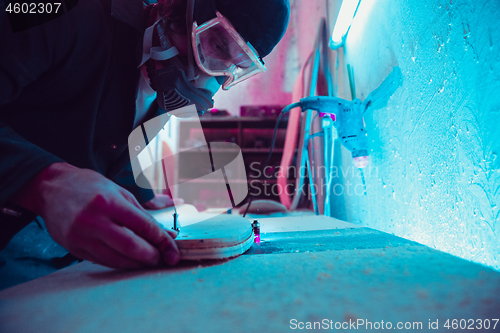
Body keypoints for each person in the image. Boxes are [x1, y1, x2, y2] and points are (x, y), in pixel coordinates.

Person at [0, 0, 290, 270]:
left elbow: (106, 142)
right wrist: (43, 181)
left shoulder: (159, 80)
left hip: (58, 252)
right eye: (216, 43)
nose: (207, 76)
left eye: (233, 66)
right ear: (179, 7)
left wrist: (138, 196)